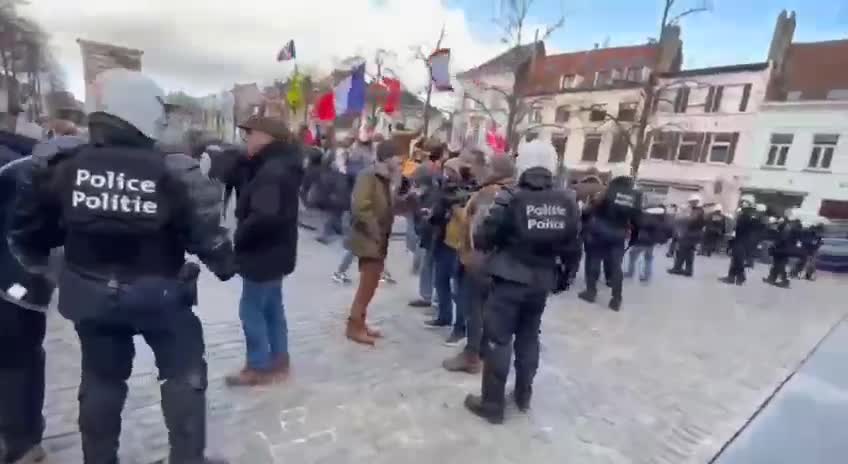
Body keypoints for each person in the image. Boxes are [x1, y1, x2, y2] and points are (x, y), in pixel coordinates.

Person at [7, 69, 236, 464]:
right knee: (183, 375)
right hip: (159, 295)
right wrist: (227, 261)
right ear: (143, 112)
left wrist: (51, 270)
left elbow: (28, 239)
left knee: (100, 380)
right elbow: (211, 244)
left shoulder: (60, 166)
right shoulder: (174, 172)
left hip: (89, 295)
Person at [463, 141, 580, 424]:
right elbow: (573, 245)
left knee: (499, 339)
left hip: (508, 278)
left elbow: (483, 238)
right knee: (529, 337)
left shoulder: (510, 197)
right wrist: (565, 277)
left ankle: (492, 404)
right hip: (541, 280)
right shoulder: (566, 200)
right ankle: (523, 395)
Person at [225, 116, 304, 387]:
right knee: (272, 307)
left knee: (252, 310)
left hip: (262, 253)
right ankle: (279, 359)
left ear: (266, 137)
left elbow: (264, 217)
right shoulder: (278, 165)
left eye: (251, 134)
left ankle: (258, 365)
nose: (247, 139)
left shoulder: (272, 171)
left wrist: (240, 237)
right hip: (277, 251)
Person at [0, 134, 53, 464]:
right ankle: (25, 438)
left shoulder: (14, 166)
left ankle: (21, 439)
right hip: (23, 285)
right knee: (24, 356)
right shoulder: (24, 159)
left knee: (17, 358)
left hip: (14, 283)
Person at [443, 154, 516, 374]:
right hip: (502, 263)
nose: (477, 171)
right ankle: (483, 352)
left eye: (485, 167)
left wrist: (472, 257)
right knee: (486, 310)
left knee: (474, 310)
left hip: (482, 262)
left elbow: (480, 228)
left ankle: (472, 355)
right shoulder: (514, 191)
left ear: (495, 170)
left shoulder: (490, 193)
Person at [344, 141, 400, 345]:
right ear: (387, 157)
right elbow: (360, 207)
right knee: (367, 284)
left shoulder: (386, 179)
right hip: (368, 238)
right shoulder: (368, 176)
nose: (399, 160)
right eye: (396, 156)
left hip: (379, 238)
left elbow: (386, 206)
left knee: (372, 282)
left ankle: (360, 321)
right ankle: (354, 326)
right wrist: (375, 230)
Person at [577, 165, 642, 312]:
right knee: (616, 267)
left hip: (599, 231)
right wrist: (634, 238)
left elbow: (592, 209)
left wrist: (585, 216)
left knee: (593, 260)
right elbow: (637, 219)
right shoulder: (636, 195)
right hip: (619, 234)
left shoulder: (607, 190)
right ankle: (616, 299)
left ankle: (591, 292)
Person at [720, 195, 759, 285]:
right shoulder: (745, 213)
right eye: (742, 202)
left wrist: (735, 223)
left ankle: (740, 277)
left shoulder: (748, 215)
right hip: (741, 239)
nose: (742, 203)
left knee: (738, 259)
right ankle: (732, 277)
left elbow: (743, 227)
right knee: (735, 258)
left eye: (744, 202)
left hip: (743, 240)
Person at [624, 205, 669, 282]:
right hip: (651, 242)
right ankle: (646, 276)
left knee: (633, 255)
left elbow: (640, 225)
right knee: (648, 259)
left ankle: (630, 272)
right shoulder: (660, 219)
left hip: (642, 240)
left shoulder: (648, 218)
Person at [668, 195, 705, 277]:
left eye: (691, 202)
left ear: (695, 202)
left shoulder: (697, 211)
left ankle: (677, 268)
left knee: (682, 251)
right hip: (695, 233)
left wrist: (682, 219)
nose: (690, 203)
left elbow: (691, 221)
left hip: (691, 234)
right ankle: (688, 270)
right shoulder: (699, 210)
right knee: (689, 252)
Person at [764, 211, 802, 288]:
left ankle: (785, 282)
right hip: (783, 249)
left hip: (783, 249)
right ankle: (772, 278)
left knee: (780, 265)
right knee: (777, 264)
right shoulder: (788, 226)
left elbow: (782, 238)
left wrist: (774, 245)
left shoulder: (787, 227)